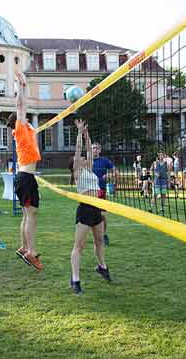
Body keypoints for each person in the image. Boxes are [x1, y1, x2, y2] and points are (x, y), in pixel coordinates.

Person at [69, 120, 111, 294]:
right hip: (85, 210)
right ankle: (75, 279)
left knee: (99, 241)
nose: (85, 158)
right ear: (75, 164)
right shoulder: (78, 172)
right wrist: (79, 133)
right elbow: (80, 150)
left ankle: (102, 266)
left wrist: (87, 134)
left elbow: (88, 150)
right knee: (79, 246)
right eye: (80, 159)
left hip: (96, 208)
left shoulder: (91, 169)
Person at [8, 72, 43, 271]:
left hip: (24, 177)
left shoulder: (27, 132)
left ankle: (23, 247)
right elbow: (20, 106)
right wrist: (21, 87)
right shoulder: (20, 129)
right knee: (32, 215)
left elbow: (31, 127)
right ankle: (31, 252)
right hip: (26, 178)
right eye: (24, 118)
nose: (27, 118)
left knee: (26, 215)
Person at [91, 142, 115, 246]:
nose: (95, 150)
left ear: (100, 150)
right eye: (93, 148)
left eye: (96, 148)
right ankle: (92, 235)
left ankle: (104, 235)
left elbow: (116, 172)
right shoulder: (87, 161)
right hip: (88, 192)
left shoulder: (105, 161)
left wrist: (108, 175)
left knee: (103, 215)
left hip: (101, 191)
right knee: (88, 215)